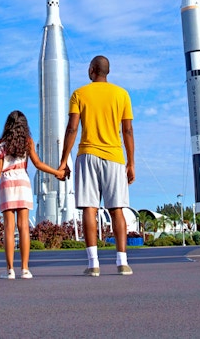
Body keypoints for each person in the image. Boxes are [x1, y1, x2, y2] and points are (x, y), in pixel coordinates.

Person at [58, 55, 135, 277]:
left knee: (89, 210)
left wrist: (64, 160)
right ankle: (123, 262)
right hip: (114, 156)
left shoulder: (79, 94)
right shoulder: (122, 94)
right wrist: (131, 163)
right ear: (107, 71)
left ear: (92, 70)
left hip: (87, 155)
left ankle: (93, 264)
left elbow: (72, 129)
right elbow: (128, 130)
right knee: (117, 209)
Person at [0, 110, 66, 279]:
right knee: (24, 228)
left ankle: (10, 270)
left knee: (8, 228)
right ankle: (25, 269)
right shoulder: (28, 142)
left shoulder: (1, 144)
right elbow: (37, 163)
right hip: (23, 182)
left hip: (7, 183)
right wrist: (56, 172)